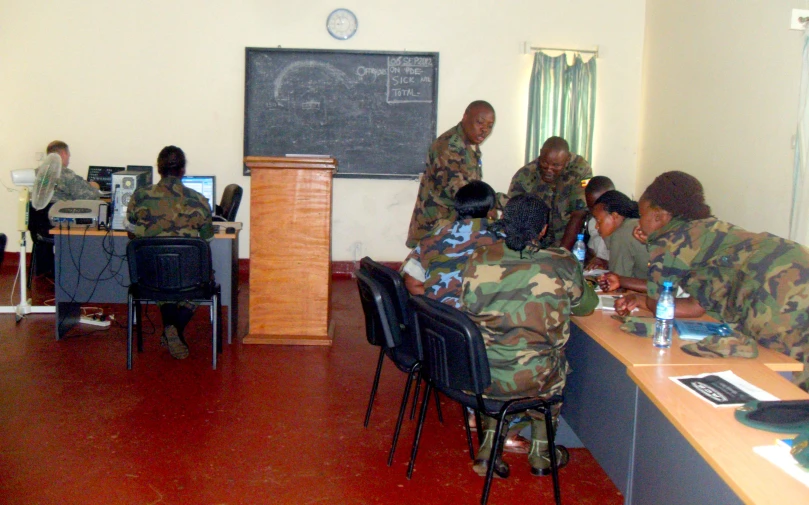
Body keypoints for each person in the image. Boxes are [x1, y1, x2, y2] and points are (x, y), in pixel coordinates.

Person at [615, 171, 809, 391]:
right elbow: (695, 306)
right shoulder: (704, 227)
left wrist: (654, 247)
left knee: (789, 373)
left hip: (776, 288)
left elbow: (663, 305)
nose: (638, 222)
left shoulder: (669, 241)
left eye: (642, 215)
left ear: (659, 216)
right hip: (796, 259)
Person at [460, 194, 598, 478]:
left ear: (504, 223)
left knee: (499, 363)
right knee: (549, 374)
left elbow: (468, 304)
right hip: (536, 376)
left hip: (480, 374)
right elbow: (586, 306)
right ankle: (542, 455)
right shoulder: (560, 262)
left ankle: (488, 450)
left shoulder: (480, 257)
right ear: (544, 229)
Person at [126, 146, 214, 360]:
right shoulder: (199, 200)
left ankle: (171, 327)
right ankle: (176, 326)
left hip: (150, 277)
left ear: (158, 169)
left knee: (161, 275)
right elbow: (207, 238)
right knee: (206, 278)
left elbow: (131, 230)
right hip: (190, 277)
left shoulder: (139, 196)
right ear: (182, 170)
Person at [406, 100, 495, 248]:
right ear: (465, 117)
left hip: (452, 229)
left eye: (489, 126)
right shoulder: (448, 146)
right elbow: (464, 193)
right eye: (480, 122)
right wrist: (493, 204)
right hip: (435, 230)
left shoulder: (469, 145)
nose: (484, 129)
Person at [401, 180, 499, 307]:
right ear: (491, 211)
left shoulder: (433, 238)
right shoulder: (501, 239)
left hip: (442, 321)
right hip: (479, 320)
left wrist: (442, 302)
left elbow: (412, 284)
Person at [508, 136, 592, 250]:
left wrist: (563, 253)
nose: (549, 169)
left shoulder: (580, 169)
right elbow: (514, 215)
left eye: (556, 165)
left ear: (567, 160)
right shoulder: (525, 175)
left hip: (570, 240)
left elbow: (579, 214)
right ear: (541, 153)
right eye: (544, 162)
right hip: (533, 243)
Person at [592, 190, 650, 292]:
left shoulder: (622, 233)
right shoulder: (631, 225)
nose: (596, 226)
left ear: (614, 216)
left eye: (598, 221)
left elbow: (617, 283)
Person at [583, 175, 615, 270]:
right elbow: (591, 249)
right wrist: (593, 259)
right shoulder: (593, 222)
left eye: (599, 206)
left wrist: (606, 263)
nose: (594, 211)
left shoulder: (625, 227)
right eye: (591, 207)